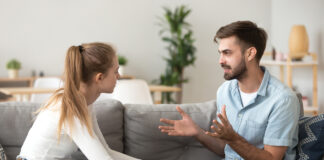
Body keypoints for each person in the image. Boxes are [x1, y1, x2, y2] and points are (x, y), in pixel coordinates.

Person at [159, 21, 300, 160]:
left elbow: (271, 158)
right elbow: (224, 149)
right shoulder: (225, 91)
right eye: (220, 53)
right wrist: (197, 132)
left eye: (227, 53)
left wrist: (233, 138)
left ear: (250, 53)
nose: (220, 61)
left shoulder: (283, 100)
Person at [17, 42, 139, 160]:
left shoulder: (85, 103)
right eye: (115, 71)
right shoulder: (70, 108)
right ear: (100, 77)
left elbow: (105, 152)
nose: (119, 76)